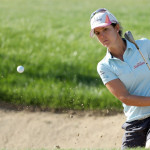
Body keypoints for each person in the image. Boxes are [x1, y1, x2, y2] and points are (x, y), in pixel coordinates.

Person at [90, 8, 150, 149]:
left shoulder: (144, 46)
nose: (102, 36)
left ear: (116, 27)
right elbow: (125, 97)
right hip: (135, 121)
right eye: (98, 33)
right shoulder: (104, 66)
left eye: (105, 30)